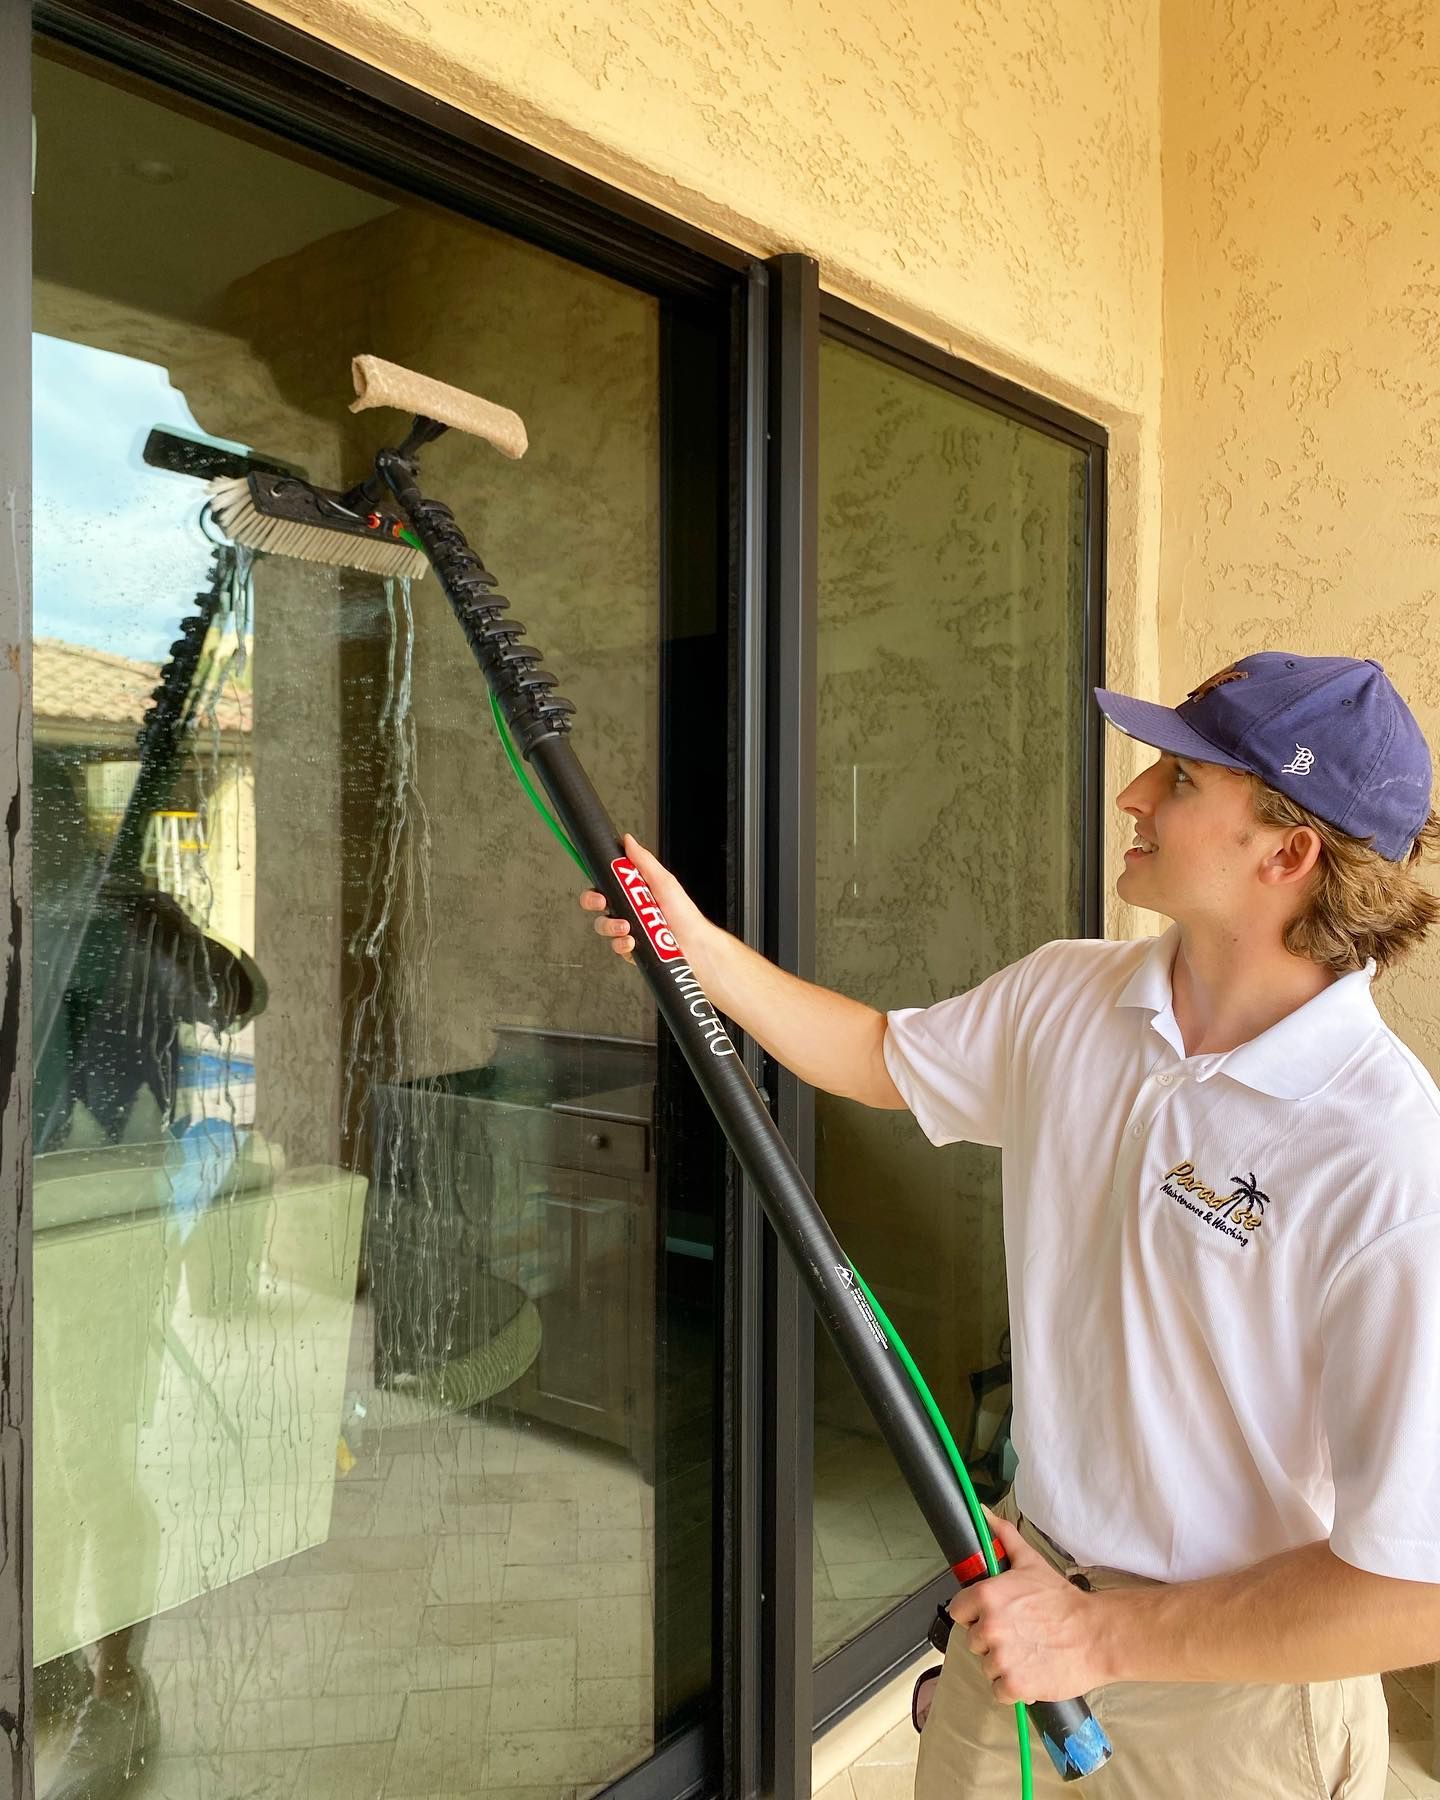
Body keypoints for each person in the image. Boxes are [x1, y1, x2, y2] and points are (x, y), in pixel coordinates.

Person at [580, 651, 1440, 1798]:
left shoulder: (1384, 1157)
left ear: (1289, 855)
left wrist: (1099, 1640)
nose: (1133, 794)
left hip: (1236, 1696)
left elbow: (1414, 1591)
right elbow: (879, 1056)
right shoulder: (1070, 998)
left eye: (1182, 780)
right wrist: (693, 946)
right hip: (1028, 1601)